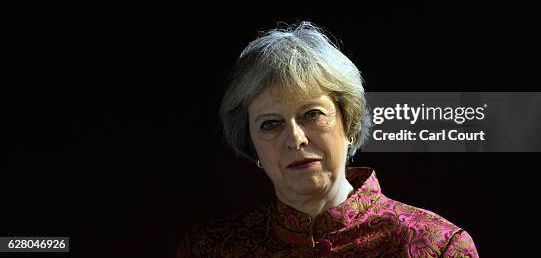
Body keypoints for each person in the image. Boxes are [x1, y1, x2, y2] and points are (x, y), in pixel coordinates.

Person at [176, 22, 478, 257]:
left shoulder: (438, 246)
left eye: (312, 114)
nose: (295, 139)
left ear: (349, 122)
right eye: (270, 124)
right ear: (250, 143)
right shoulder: (210, 249)